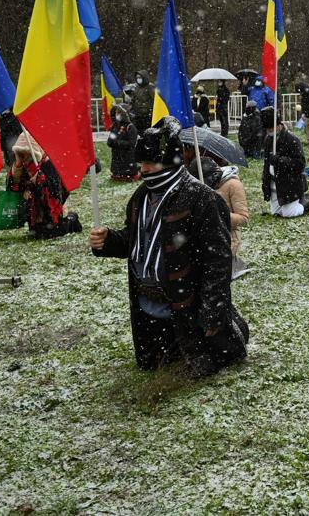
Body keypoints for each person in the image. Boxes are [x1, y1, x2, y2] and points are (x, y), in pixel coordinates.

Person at [89, 117, 249, 379]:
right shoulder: (141, 196)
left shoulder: (203, 199)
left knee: (200, 365)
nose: (145, 170)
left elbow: (217, 264)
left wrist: (212, 313)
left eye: (151, 163)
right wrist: (108, 241)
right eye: (141, 164)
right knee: (156, 365)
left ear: (170, 162)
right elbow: (136, 240)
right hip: (148, 309)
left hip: (188, 309)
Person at [7, 132, 81, 239]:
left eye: (27, 153)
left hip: (51, 214)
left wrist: (38, 182)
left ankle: (72, 220)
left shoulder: (48, 164)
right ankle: (42, 225)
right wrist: (17, 168)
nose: (25, 157)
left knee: (50, 233)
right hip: (35, 214)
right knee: (37, 233)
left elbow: (55, 193)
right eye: (21, 153)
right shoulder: (22, 166)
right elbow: (12, 188)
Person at [261, 107, 309, 217]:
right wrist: (265, 183)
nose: (269, 132)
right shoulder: (268, 140)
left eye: (271, 129)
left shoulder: (291, 140)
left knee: (289, 213)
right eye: (267, 130)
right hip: (274, 184)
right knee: (276, 213)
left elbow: (300, 163)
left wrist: (279, 160)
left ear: (279, 125)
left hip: (290, 184)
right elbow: (266, 164)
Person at [188, 157, 249, 259]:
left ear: (214, 175)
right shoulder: (199, 186)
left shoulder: (233, 185)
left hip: (228, 237)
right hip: (204, 237)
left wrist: (219, 214)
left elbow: (243, 218)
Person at [106, 104, 140, 182]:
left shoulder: (130, 127)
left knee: (128, 173)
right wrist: (114, 142)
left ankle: (131, 173)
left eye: (119, 112)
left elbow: (131, 143)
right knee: (117, 174)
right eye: (116, 112)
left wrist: (117, 143)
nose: (117, 114)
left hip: (127, 158)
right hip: (116, 159)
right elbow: (109, 142)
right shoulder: (115, 126)